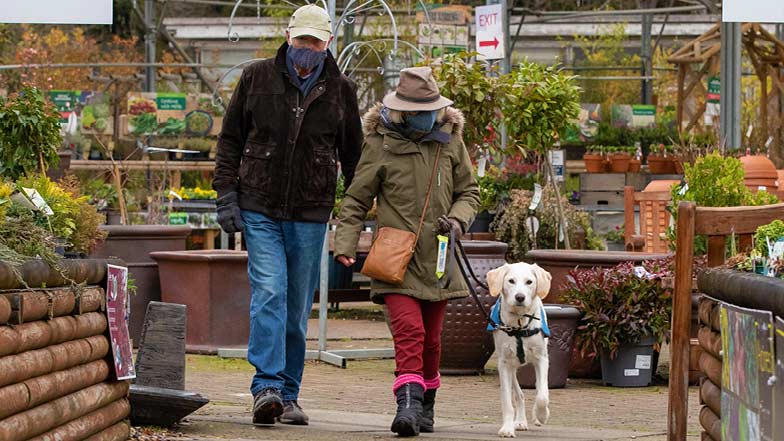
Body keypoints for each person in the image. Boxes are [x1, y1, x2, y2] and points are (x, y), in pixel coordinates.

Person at [212, 4, 362, 426]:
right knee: (271, 294)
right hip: (258, 204)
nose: (307, 49)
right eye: (301, 41)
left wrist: (354, 215)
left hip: (310, 213)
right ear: (288, 36)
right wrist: (226, 196)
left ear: (328, 42)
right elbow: (230, 141)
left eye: (316, 42)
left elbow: (355, 159)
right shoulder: (256, 78)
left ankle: (290, 394)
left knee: (296, 308)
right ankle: (266, 387)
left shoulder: (341, 90)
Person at [333, 66, 479, 437]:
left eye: (431, 108)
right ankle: (408, 406)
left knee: (432, 339)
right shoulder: (379, 145)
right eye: (418, 110)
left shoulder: (450, 143)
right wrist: (345, 245)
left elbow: (470, 193)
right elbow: (355, 199)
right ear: (402, 111)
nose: (426, 116)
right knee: (410, 332)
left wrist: (458, 220)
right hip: (395, 259)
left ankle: (427, 405)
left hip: (439, 256)